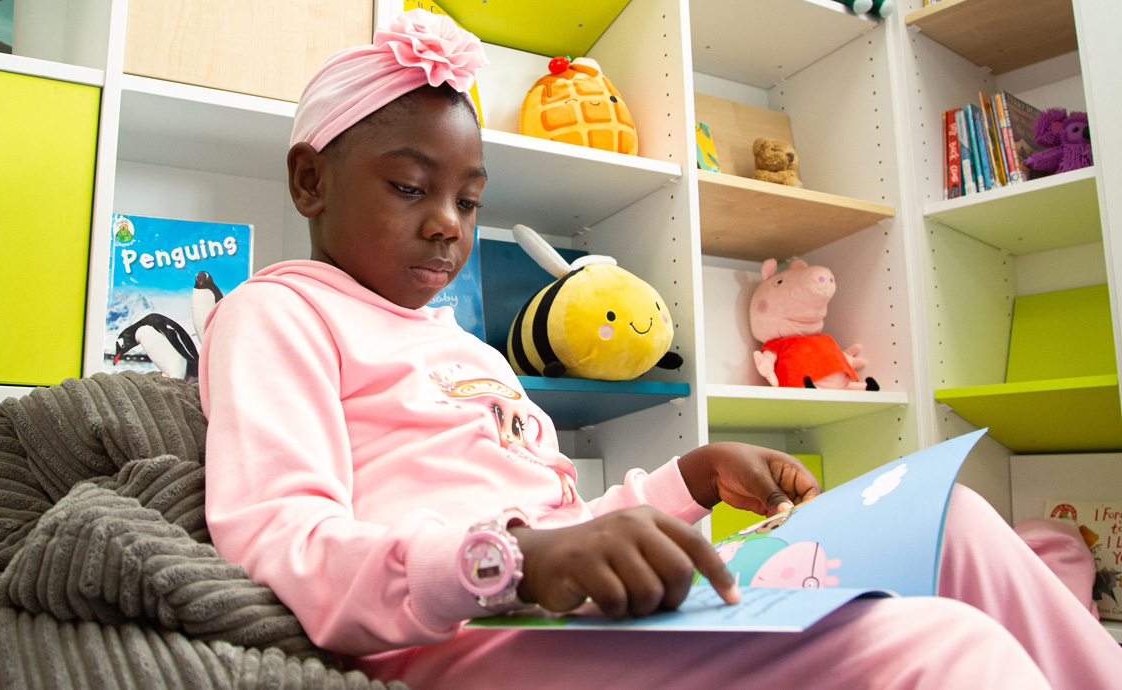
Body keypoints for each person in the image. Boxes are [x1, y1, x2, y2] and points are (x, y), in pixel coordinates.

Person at [200, 10, 1122, 689]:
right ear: (310, 179)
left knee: (951, 526)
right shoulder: (276, 314)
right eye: (410, 187)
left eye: (470, 200)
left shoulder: (465, 346)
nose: (448, 226)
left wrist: (692, 477)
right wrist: (511, 562)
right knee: (938, 649)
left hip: (563, 606)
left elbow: (565, 518)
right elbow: (284, 542)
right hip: (474, 636)